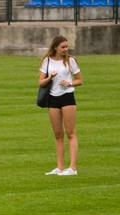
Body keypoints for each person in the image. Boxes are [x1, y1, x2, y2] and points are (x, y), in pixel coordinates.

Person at [40, 36, 82, 176]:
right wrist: (50, 77)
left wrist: (69, 83)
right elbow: (41, 83)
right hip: (52, 98)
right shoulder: (47, 61)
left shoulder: (71, 60)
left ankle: (73, 168)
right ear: (55, 47)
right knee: (58, 135)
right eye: (63, 47)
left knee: (70, 133)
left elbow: (79, 80)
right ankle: (60, 167)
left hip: (67, 97)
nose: (65, 49)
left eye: (66, 46)